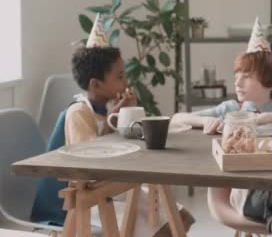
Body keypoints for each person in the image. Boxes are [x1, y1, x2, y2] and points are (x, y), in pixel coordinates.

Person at [31, 14, 194, 236]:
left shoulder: (105, 109)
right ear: (96, 84)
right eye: (120, 76)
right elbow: (90, 161)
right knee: (158, 226)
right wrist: (114, 118)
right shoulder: (79, 112)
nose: (126, 82)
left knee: (179, 217)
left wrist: (122, 117)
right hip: (81, 199)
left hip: (109, 188)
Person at [173, 18, 272, 236]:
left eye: (246, 77)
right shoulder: (231, 109)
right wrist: (205, 121)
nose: (237, 83)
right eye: (236, 77)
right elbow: (177, 118)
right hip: (244, 190)